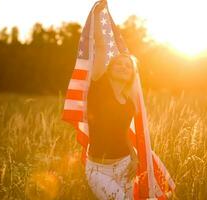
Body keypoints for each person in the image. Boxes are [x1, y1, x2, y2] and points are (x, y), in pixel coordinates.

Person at [84, 1, 140, 199]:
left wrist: (134, 157)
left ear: (132, 74)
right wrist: (99, 16)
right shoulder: (98, 87)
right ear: (109, 68)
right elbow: (100, 46)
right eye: (119, 63)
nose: (124, 67)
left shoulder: (129, 101)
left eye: (128, 66)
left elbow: (123, 133)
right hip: (99, 170)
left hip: (125, 165)